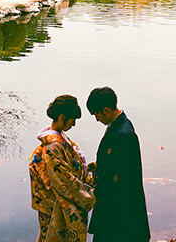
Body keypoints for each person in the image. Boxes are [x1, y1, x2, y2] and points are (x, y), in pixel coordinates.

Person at [86, 86, 149, 242]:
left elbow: (123, 178)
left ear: (106, 110)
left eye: (96, 114)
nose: (97, 119)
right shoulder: (119, 125)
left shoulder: (123, 135)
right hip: (116, 203)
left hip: (119, 206)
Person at [30, 94, 95, 242]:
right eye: (73, 120)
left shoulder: (59, 139)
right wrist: (89, 191)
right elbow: (63, 179)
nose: (73, 124)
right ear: (62, 117)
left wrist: (88, 170)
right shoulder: (53, 145)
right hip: (54, 204)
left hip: (53, 201)